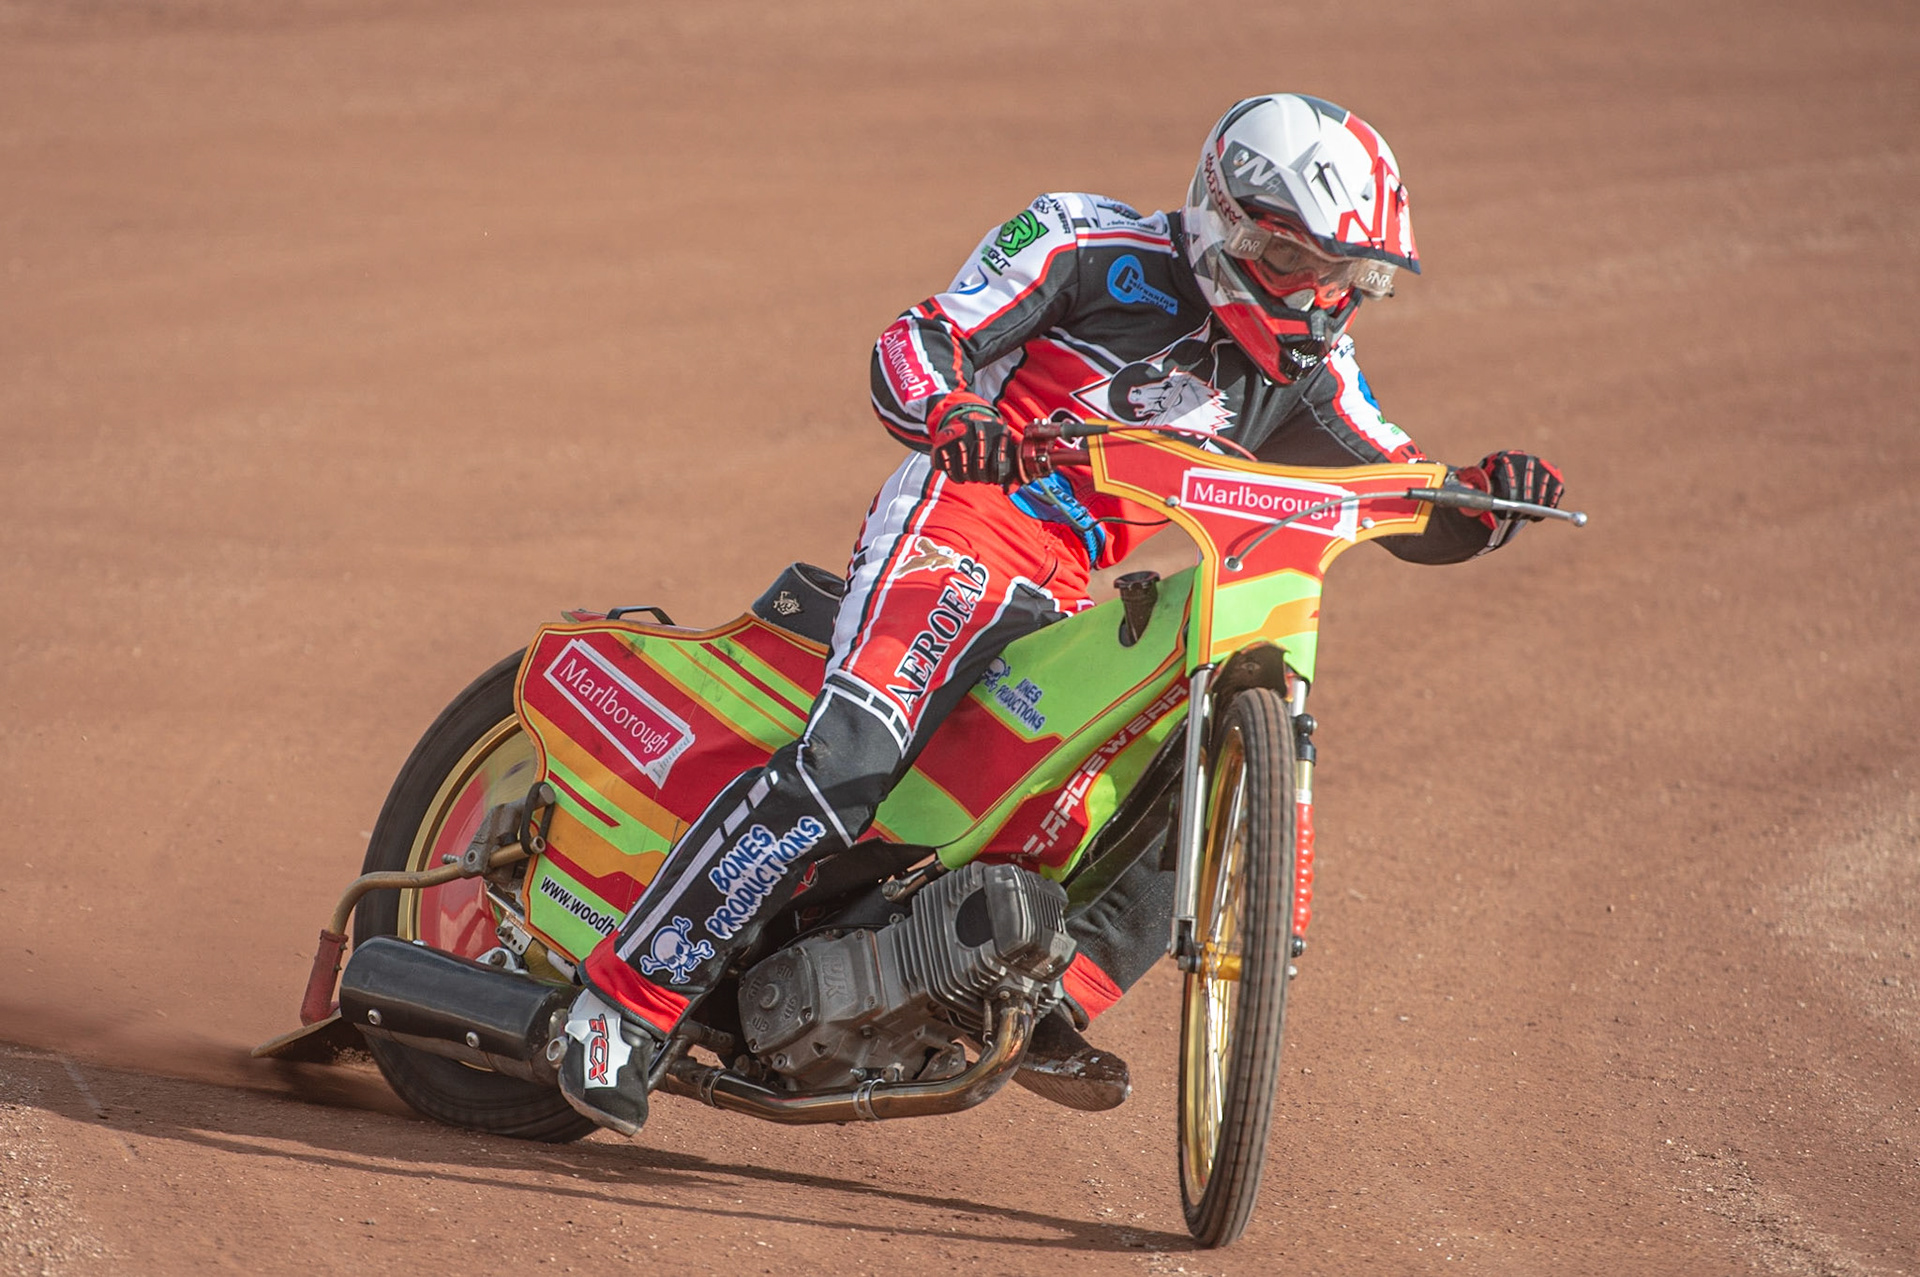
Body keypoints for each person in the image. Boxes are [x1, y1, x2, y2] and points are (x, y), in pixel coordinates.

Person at [555, 93, 1566, 1135]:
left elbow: (1405, 495)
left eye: (1346, 275)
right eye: (1289, 260)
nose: (1317, 299)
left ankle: (1047, 989)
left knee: (1185, 755)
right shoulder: (1084, 241)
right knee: (850, 760)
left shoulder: (1316, 379)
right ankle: (621, 1002)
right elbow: (917, 341)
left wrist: (1488, 503)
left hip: (1069, 584)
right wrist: (957, 410)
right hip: (965, 520)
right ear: (1224, 221)